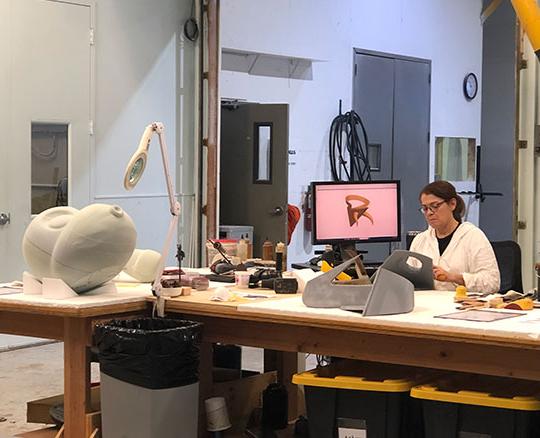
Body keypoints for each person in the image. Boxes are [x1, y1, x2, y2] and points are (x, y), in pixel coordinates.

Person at [410, 180, 500, 293]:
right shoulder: (420, 240)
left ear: (452, 204)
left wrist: (453, 277)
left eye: (435, 206)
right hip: (429, 307)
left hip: (462, 306)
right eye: (425, 208)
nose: (429, 213)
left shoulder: (473, 236)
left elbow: (492, 282)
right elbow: (409, 281)